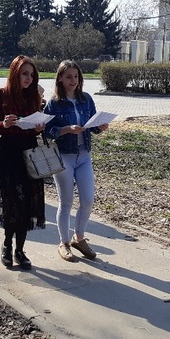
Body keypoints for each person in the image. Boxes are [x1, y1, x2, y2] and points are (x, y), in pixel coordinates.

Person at [0, 55, 46, 270]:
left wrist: (39, 127)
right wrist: (3, 124)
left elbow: (35, 124)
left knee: (27, 202)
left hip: (29, 151)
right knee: (12, 202)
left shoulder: (34, 96)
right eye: (24, 74)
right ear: (14, 73)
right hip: (9, 152)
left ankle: (20, 250)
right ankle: (7, 245)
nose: (28, 78)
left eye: (31, 75)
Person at [42, 60, 108, 262]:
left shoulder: (86, 99)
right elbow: (46, 130)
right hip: (64, 157)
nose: (73, 80)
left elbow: (92, 125)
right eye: (68, 77)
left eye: (76, 76)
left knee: (87, 200)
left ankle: (79, 238)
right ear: (60, 78)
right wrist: (66, 130)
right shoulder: (54, 103)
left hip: (84, 156)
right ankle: (64, 243)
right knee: (66, 202)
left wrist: (100, 127)